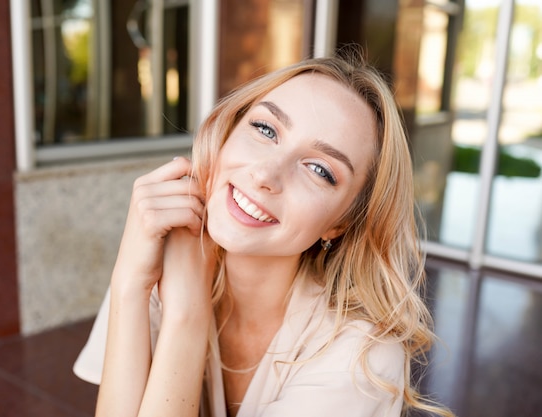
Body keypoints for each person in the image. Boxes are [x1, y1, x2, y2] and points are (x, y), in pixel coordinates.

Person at [73, 52, 454, 417]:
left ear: (342, 222)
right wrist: (129, 279)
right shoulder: (160, 266)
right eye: (265, 128)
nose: (265, 175)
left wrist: (188, 313)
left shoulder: (363, 358)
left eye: (320, 170)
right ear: (227, 131)